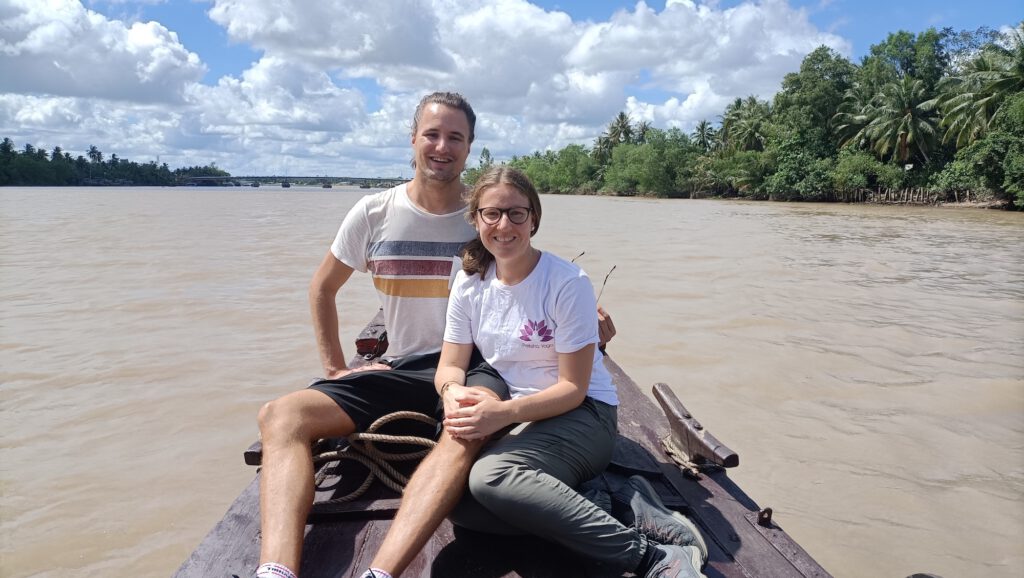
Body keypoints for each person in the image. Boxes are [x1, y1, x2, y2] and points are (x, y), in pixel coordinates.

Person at [254, 92, 615, 578]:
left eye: (456, 137)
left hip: (480, 366)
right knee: (282, 415)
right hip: (405, 365)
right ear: (413, 139)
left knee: (465, 423)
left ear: (469, 148)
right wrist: (337, 369)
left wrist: (587, 313)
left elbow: (532, 270)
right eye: (432, 134)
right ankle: (274, 570)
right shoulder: (373, 213)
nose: (442, 146)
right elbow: (322, 288)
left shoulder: (488, 208)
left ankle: (380, 573)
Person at [402, 166, 707, 577]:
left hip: (584, 416)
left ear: (534, 219)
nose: (504, 225)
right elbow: (451, 365)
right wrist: (452, 392)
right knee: (457, 503)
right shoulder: (470, 283)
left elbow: (573, 389)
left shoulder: (566, 282)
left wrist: (503, 414)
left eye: (516, 213)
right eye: (491, 214)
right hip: (520, 417)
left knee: (491, 478)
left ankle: (652, 556)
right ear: (475, 219)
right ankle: (607, 499)